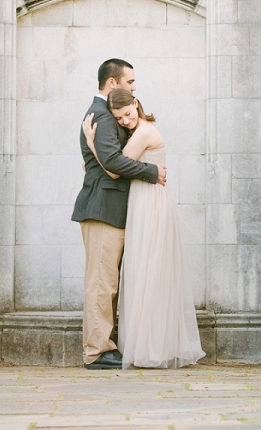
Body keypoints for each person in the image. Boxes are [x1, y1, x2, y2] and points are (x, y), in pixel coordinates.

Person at [83, 88, 205, 369]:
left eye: (127, 114)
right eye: (119, 118)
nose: (125, 121)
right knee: (144, 271)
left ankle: (151, 345)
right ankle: (146, 343)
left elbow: (113, 167)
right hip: (142, 201)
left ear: (136, 104)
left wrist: (92, 143)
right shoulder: (137, 131)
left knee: (149, 270)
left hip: (150, 203)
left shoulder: (144, 132)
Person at [71, 58, 167, 370]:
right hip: (102, 208)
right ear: (113, 83)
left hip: (114, 209)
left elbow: (102, 160)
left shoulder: (107, 114)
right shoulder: (101, 114)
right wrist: (152, 171)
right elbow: (111, 162)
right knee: (102, 282)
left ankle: (105, 346)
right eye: (130, 82)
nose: (133, 88)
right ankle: (97, 351)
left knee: (109, 281)